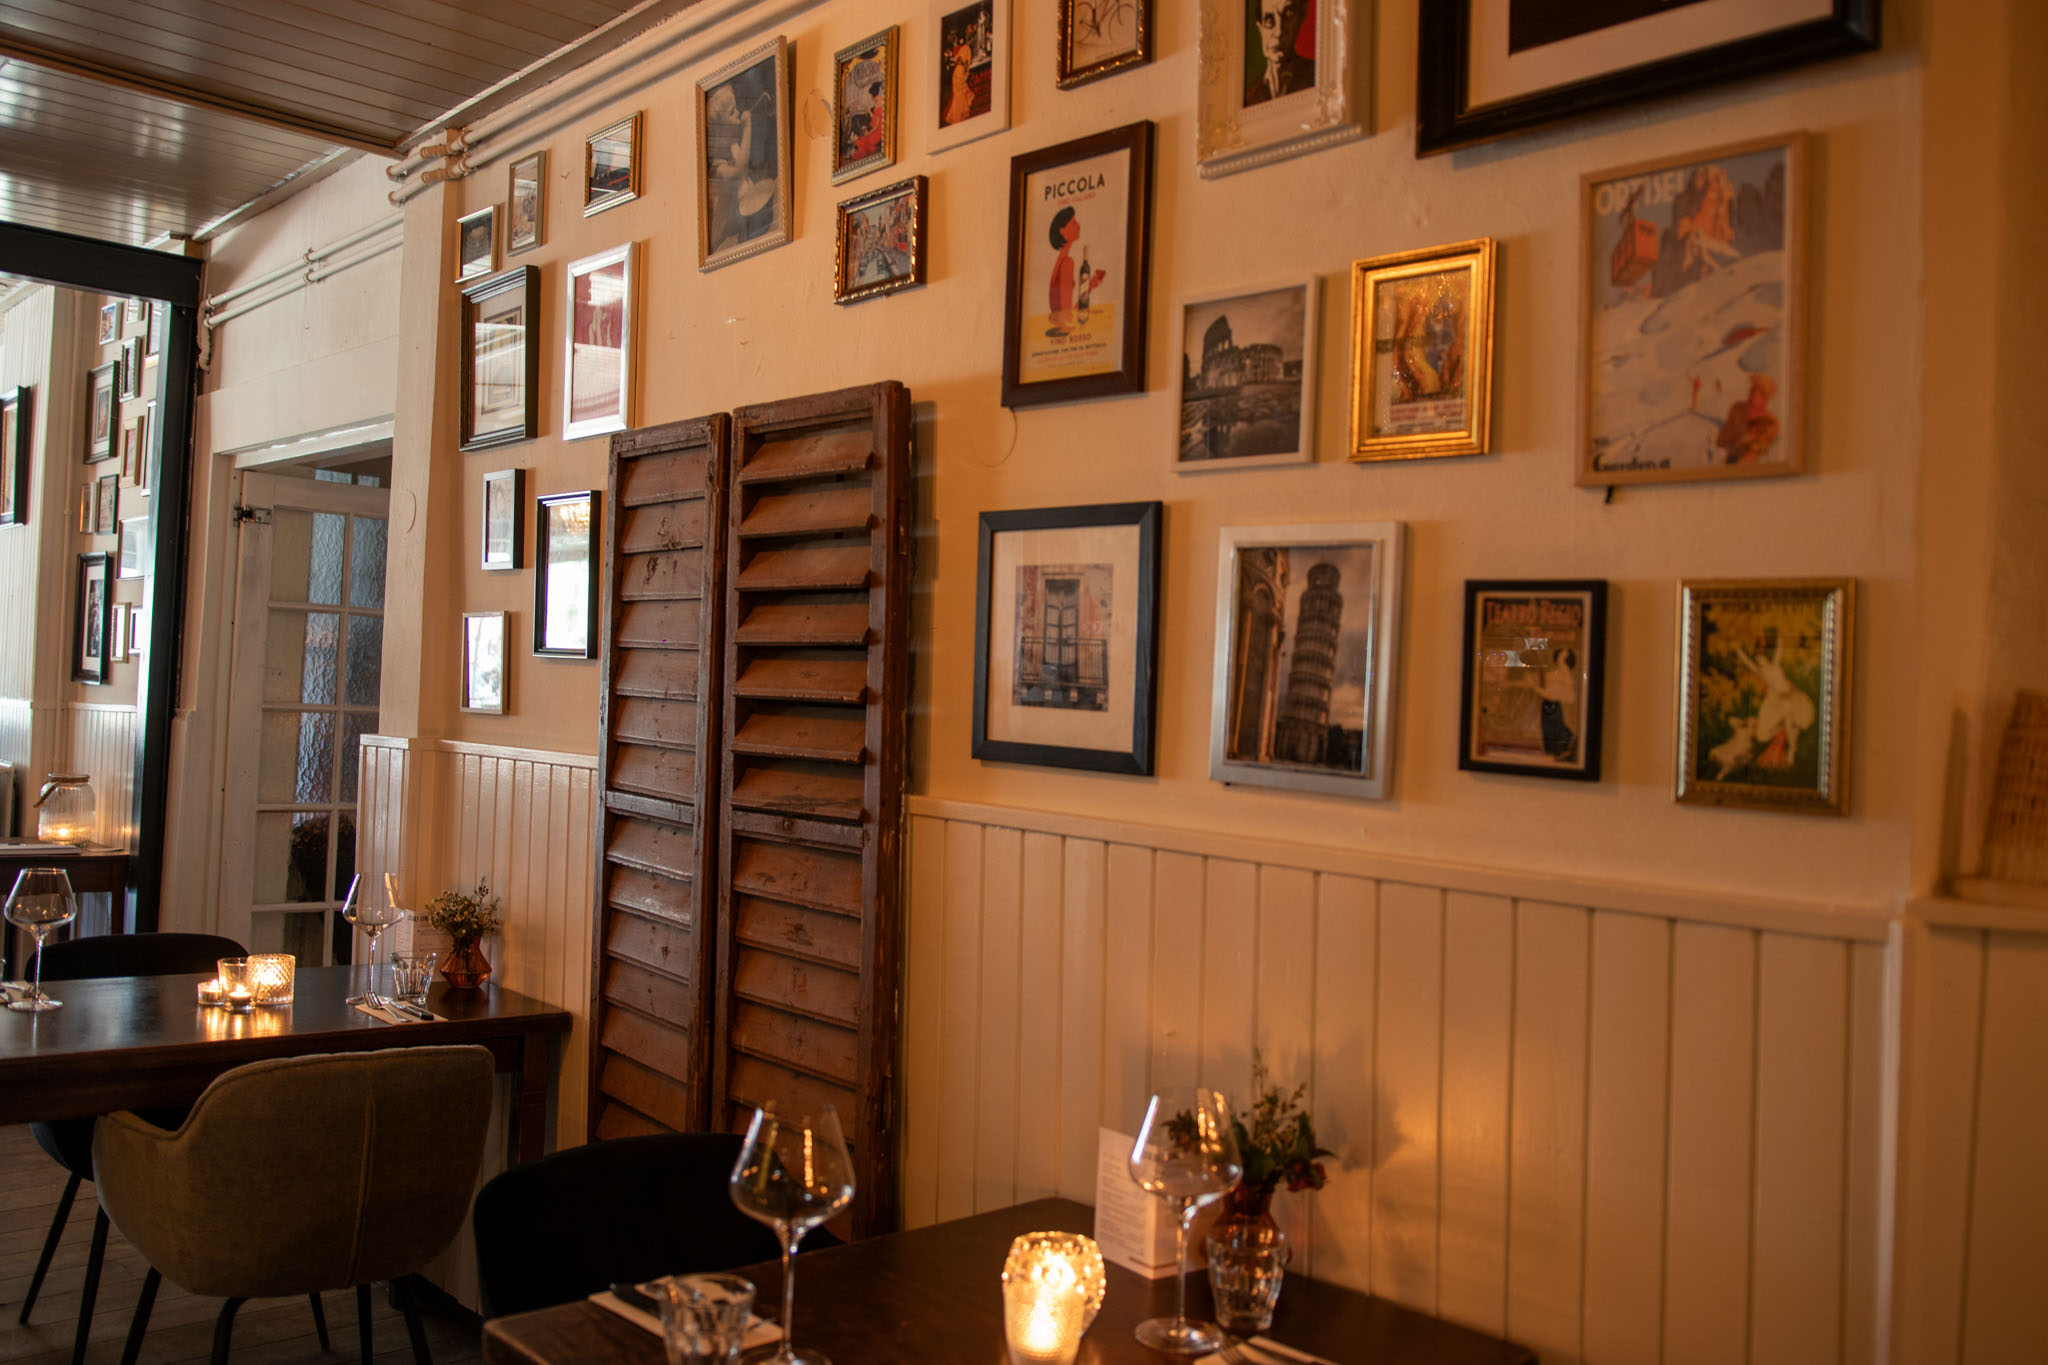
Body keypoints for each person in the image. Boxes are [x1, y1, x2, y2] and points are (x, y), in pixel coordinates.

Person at [1734, 634, 1816, 770]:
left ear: (1766, 658)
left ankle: (1792, 750)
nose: (1760, 662)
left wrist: (1780, 640)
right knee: (1770, 730)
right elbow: (1749, 663)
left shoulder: (1775, 666)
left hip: (1792, 697)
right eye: (1758, 660)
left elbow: (1779, 652)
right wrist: (1739, 652)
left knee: (1792, 721)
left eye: (1761, 659)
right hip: (1778, 701)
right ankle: (1790, 746)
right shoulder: (1761, 672)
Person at [1045, 207, 1105, 337]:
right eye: (1073, 223)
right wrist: (1091, 286)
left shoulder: (1061, 261)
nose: (1078, 225)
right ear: (1063, 231)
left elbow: (1063, 310)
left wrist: (1091, 285)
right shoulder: (1067, 263)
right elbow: (1066, 315)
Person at [1246, 0, 1314, 106]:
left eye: (1288, 16)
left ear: (1301, 18)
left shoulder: (1315, 76)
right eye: (1269, 21)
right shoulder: (1250, 96)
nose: (1278, 32)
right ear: (1260, 28)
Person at [1535, 648, 1580, 762]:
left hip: (1553, 707)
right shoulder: (1555, 673)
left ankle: (1561, 751)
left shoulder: (1565, 675)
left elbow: (1552, 694)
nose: (1560, 658)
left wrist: (1535, 688)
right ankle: (1554, 753)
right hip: (1548, 706)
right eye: (1560, 655)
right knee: (1548, 730)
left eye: (1563, 656)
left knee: (1555, 730)